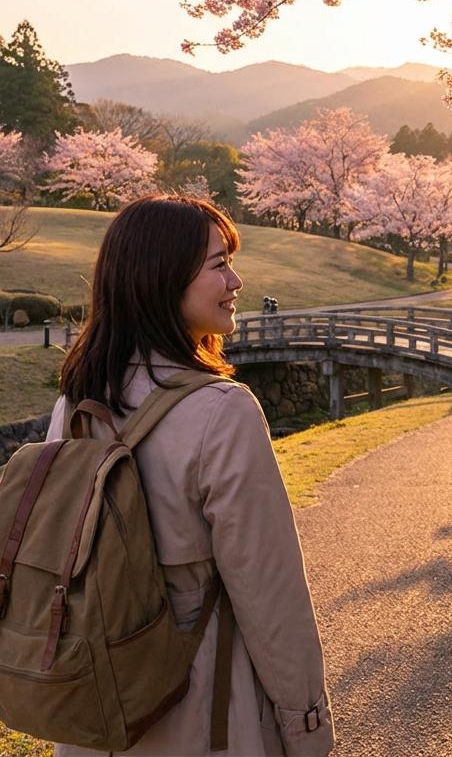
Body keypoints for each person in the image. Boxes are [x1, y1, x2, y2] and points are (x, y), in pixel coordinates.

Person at [46, 195, 335, 757]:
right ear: (163, 278)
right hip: (201, 702)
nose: (236, 279)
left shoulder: (76, 402)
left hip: (96, 706)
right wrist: (306, 725)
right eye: (217, 264)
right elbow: (270, 592)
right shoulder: (223, 411)